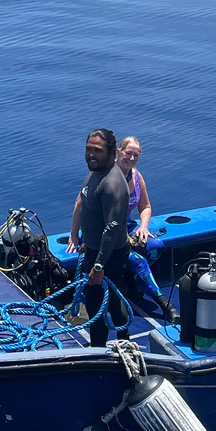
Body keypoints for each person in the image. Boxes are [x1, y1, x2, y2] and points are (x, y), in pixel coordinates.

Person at [67, 135, 177, 324]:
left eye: (136, 155)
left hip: (124, 227)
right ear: (118, 152)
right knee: (139, 261)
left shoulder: (136, 176)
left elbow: (146, 206)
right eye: (128, 153)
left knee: (155, 246)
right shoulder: (104, 176)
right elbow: (80, 204)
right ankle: (165, 304)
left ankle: (131, 281)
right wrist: (74, 235)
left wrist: (143, 226)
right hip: (103, 233)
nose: (131, 158)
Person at [73, 128, 132, 347]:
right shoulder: (95, 172)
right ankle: (124, 341)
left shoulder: (112, 183)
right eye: (88, 149)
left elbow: (112, 228)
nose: (91, 155)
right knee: (113, 299)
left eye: (97, 150)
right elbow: (90, 209)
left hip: (109, 255)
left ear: (112, 152)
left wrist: (98, 266)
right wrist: (86, 240)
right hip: (95, 248)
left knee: (96, 305)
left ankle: (99, 349)